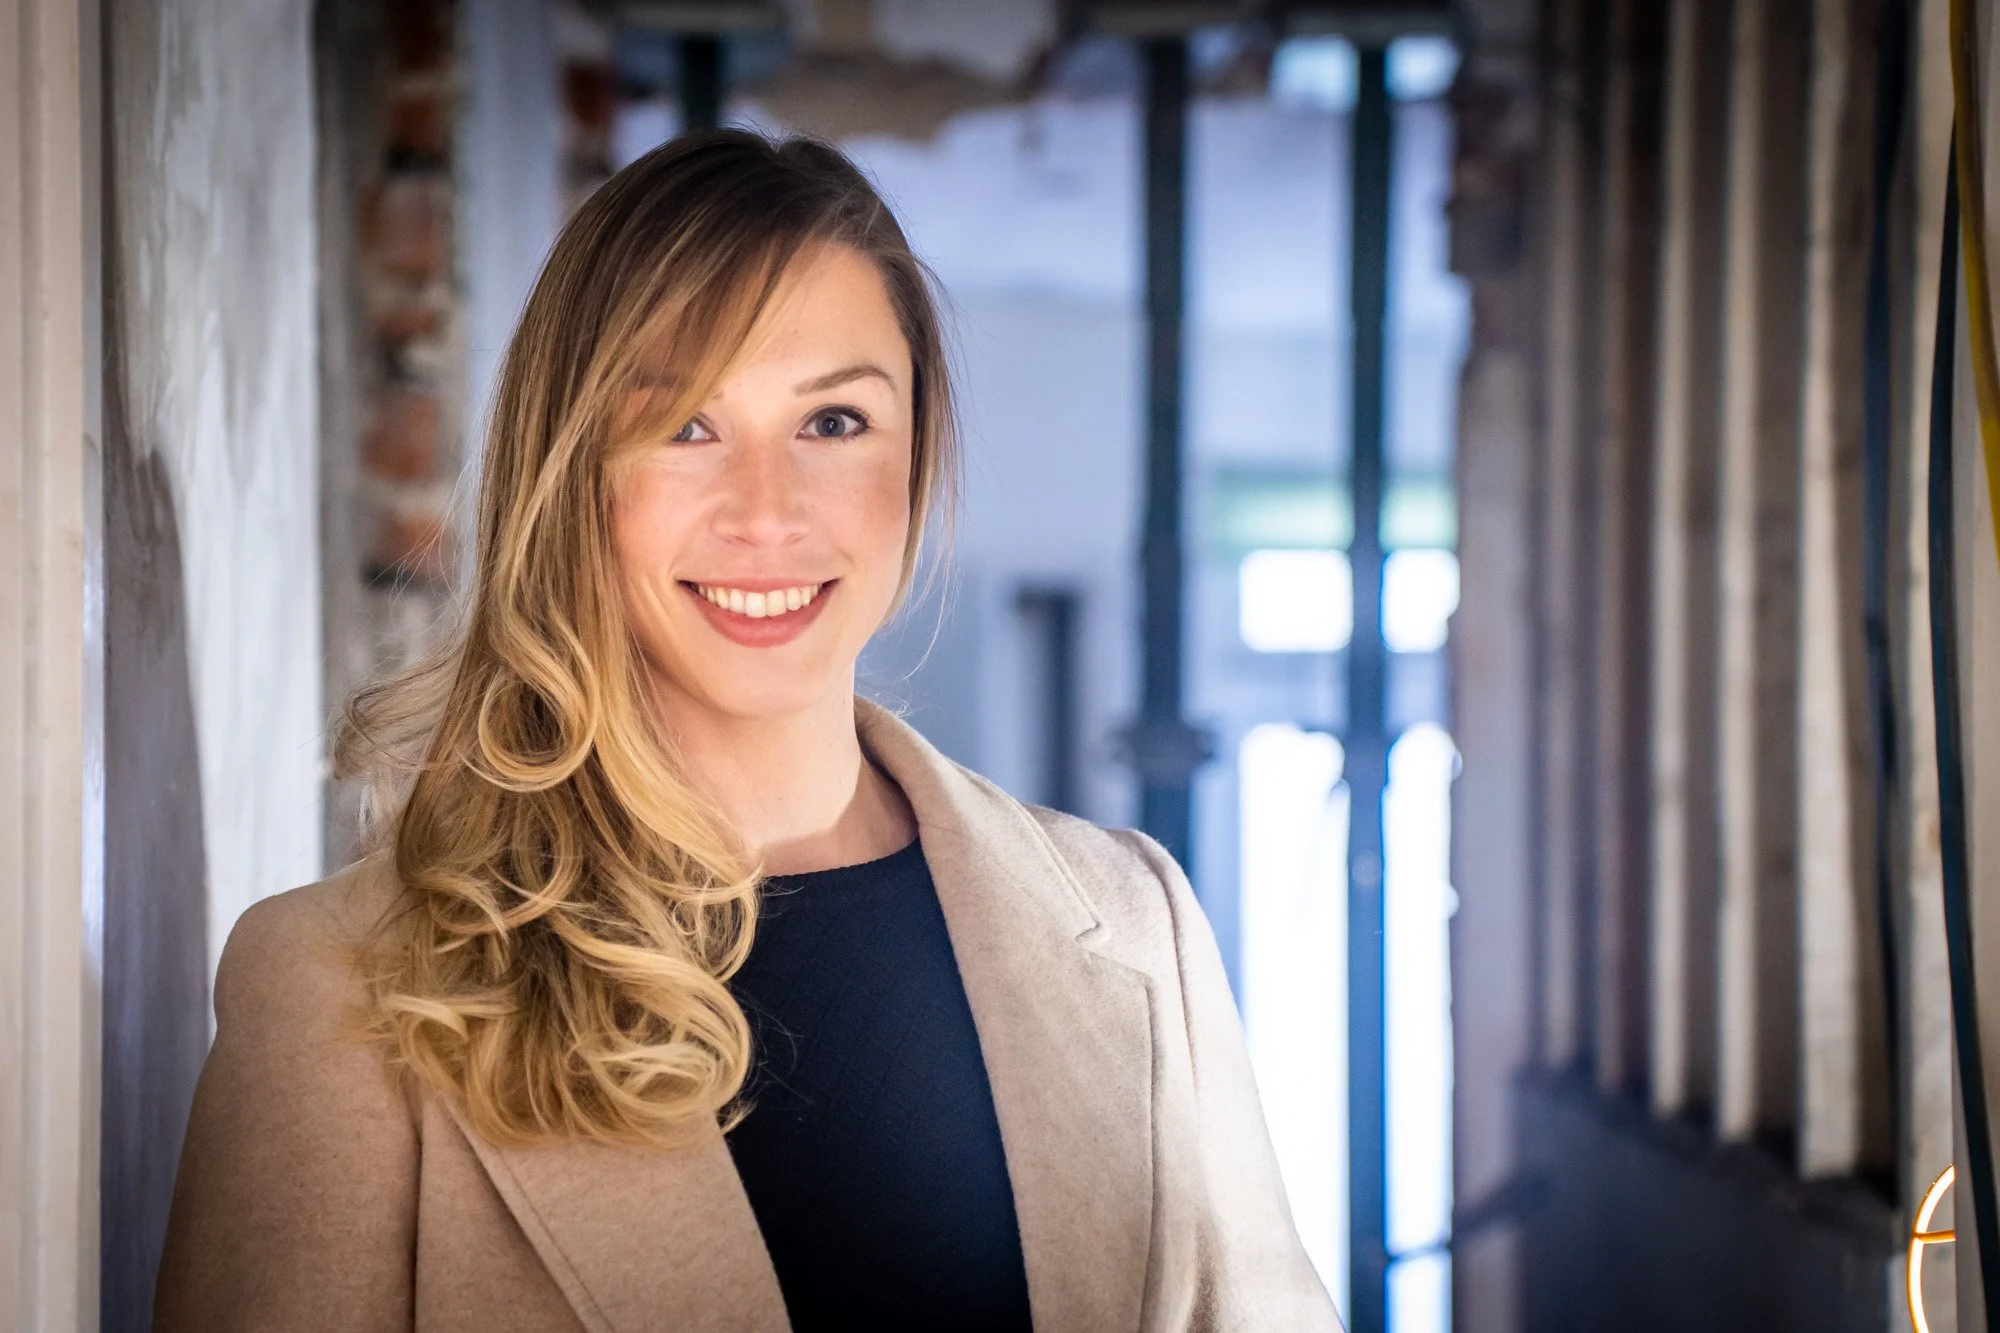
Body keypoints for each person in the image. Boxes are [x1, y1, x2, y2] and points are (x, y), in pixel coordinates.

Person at [153, 129, 1338, 1333]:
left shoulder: (1138, 927)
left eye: (832, 423)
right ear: (570, 475)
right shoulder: (338, 989)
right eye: (683, 426)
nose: (767, 514)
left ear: (916, 458)